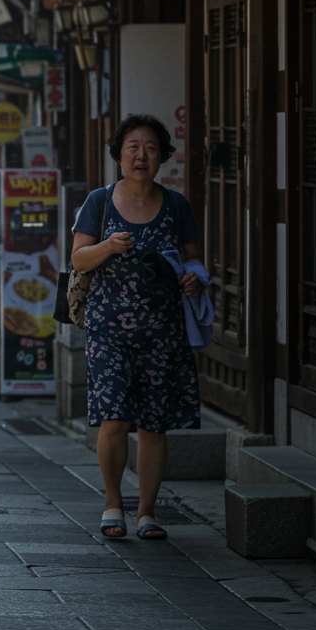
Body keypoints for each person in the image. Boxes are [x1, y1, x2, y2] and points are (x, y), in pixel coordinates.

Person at [70, 113, 203, 542]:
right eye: (133, 146)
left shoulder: (177, 204)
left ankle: (148, 511)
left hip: (162, 329)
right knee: (113, 418)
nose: (141, 154)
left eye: (150, 147)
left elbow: (197, 259)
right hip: (107, 326)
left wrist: (194, 274)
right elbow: (78, 259)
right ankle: (113, 502)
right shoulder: (100, 201)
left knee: (153, 424)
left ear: (162, 155)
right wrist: (107, 246)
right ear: (119, 154)